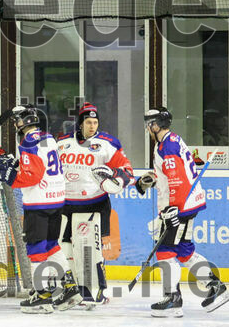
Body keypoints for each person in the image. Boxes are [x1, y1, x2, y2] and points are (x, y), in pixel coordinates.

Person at [134, 107, 229, 316]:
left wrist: (173, 210)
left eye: (149, 124)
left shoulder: (167, 146)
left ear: (157, 125)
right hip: (185, 204)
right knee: (183, 250)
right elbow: (171, 174)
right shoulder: (168, 142)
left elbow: (178, 179)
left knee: (165, 251)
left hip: (181, 206)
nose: (148, 128)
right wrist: (151, 180)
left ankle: (173, 299)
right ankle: (216, 287)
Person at [0, 104, 81, 313]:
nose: (16, 124)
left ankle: (42, 296)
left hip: (39, 203)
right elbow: (39, 166)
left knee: (36, 248)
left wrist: (9, 176)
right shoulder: (48, 138)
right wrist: (16, 165)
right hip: (56, 201)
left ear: (26, 121)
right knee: (51, 245)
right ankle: (70, 288)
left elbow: (32, 176)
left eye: (18, 120)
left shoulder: (28, 141)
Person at [57, 103, 134, 306]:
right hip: (65, 205)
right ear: (80, 123)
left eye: (95, 122)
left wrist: (119, 179)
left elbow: (126, 170)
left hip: (94, 204)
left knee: (89, 250)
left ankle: (95, 292)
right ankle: (72, 290)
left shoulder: (107, 143)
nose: (92, 126)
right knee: (64, 249)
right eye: (88, 122)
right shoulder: (62, 142)